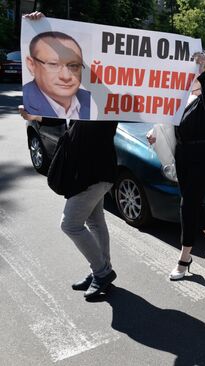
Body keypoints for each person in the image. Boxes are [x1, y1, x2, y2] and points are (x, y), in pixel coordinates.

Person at [19, 11, 116, 300]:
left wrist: (46, 28)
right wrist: (36, 117)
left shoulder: (105, 97)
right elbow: (64, 122)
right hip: (86, 173)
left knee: (70, 223)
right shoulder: (80, 98)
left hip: (96, 174)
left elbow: (79, 67)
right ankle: (102, 268)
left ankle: (102, 271)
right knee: (95, 222)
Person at [147, 52, 205, 280]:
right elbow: (168, 128)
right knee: (194, 203)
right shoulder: (179, 97)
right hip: (183, 156)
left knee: (187, 205)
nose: (190, 70)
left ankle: (184, 258)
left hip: (203, 156)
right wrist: (156, 136)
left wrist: (201, 78)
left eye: (198, 67)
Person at [23, 30, 91, 120]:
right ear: (31, 65)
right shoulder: (27, 102)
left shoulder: (92, 100)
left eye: (74, 66)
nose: (65, 76)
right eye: (53, 64)